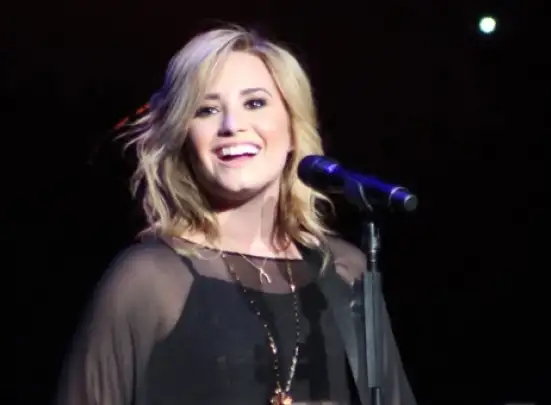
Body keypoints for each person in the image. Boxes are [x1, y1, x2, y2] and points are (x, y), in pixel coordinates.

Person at [56, 25, 416, 405]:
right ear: (184, 135)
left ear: (293, 126)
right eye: (207, 110)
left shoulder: (345, 269)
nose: (231, 126)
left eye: (255, 103)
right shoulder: (148, 280)